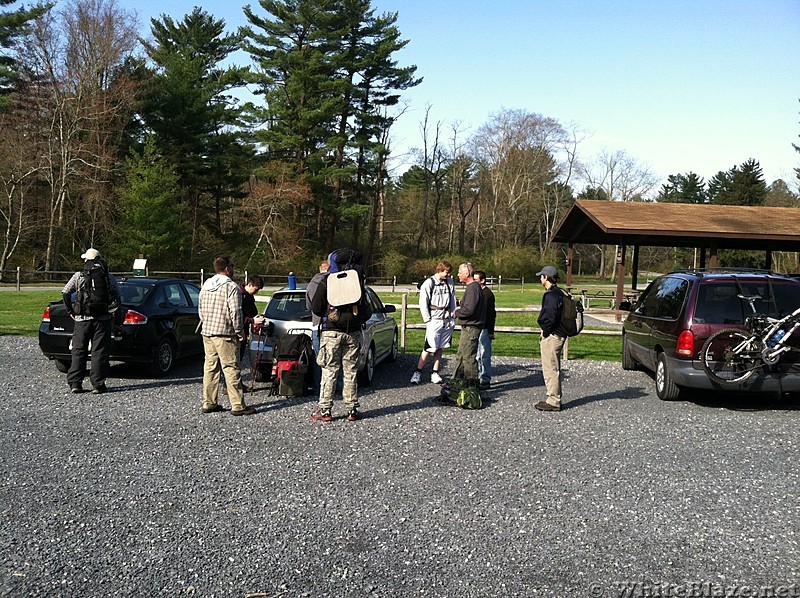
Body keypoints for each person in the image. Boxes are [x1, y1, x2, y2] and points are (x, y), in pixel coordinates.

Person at [307, 265, 372, 422]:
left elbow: (315, 307)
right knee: (351, 372)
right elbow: (367, 310)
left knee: (329, 371)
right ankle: (351, 410)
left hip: (331, 333)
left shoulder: (327, 281)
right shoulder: (356, 281)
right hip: (353, 333)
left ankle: (325, 410)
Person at [198, 256, 256, 416]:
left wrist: (205, 322)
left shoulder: (207, 283)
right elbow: (236, 311)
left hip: (208, 331)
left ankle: (209, 402)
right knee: (231, 368)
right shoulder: (231, 287)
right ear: (228, 268)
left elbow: (200, 307)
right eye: (233, 266)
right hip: (225, 333)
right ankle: (237, 405)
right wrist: (240, 331)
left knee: (210, 368)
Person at [61, 248, 121, 394]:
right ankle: (98, 384)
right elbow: (118, 297)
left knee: (79, 351)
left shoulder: (79, 275)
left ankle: (75, 383)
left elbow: (65, 292)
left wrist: (71, 311)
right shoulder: (108, 276)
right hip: (103, 320)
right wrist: (117, 320)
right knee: (99, 352)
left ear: (86, 260)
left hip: (82, 320)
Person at [410, 261, 456, 385]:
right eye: (446, 272)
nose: (448, 274)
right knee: (429, 347)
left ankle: (435, 372)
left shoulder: (449, 283)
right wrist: (428, 320)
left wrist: (453, 316)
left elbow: (452, 300)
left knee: (440, 347)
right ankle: (418, 372)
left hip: (446, 320)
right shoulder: (429, 283)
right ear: (439, 270)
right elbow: (423, 303)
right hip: (434, 320)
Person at [535, 265, 568, 412]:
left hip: (553, 335)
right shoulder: (559, 293)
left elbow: (549, 317)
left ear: (546, 277)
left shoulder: (550, 296)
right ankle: (553, 397)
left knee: (550, 369)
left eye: (541, 276)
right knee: (553, 368)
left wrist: (545, 332)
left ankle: (554, 400)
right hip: (558, 334)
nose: (540, 278)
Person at [450, 262, 486, 388]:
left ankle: (472, 386)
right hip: (469, 326)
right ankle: (456, 381)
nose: (458, 274)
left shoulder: (473, 288)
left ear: (467, 273)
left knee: (468, 357)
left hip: (471, 327)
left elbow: (469, 310)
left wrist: (456, 312)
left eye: (460, 272)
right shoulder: (473, 288)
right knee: (461, 355)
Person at [306, 260, 329, 393]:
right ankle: (336, 387)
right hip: (329, 325)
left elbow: (309, 306)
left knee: (318, 358)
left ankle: (318, 386)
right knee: (333, 358)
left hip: (315, 324)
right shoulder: (332, 282)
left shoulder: (311, 284)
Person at [473, 270, 496, 390]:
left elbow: (491, 314)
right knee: (477, 355)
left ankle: (485, 379)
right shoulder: (479, 293)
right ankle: (477, 377)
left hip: (485, 328)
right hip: (478, 327)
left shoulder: (487, 295)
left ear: (482, 281)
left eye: (476, 280)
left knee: (484, 355)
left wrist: (491, 331)